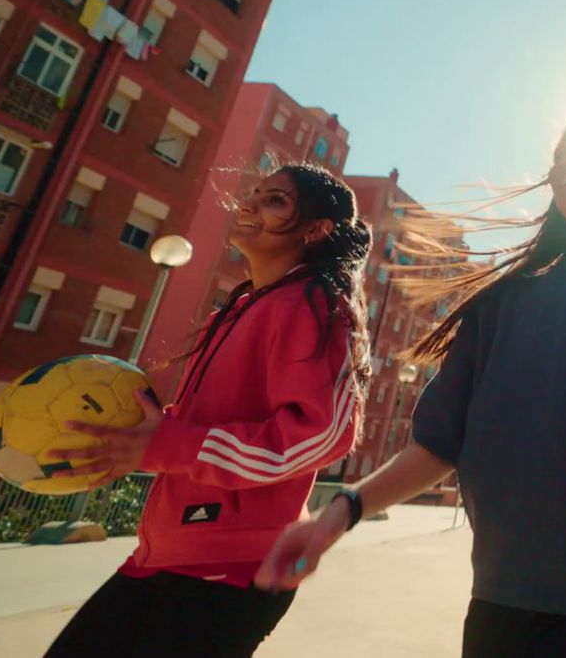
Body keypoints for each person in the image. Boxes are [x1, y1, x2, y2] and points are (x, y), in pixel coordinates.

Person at [255, 115, 566, 658]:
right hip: (502, 602)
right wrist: (339, 515)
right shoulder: (504, 302)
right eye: (560, 152)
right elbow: (438, 443)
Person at [43, 164, 374, 658]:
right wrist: (138, 440)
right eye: (255, 194)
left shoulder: (312, 304)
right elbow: (201, 428)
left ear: (317, 229)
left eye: (275, 200)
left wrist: (172, 444)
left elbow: (320, 435)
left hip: (234, 564)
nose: (249, 205)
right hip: (163, 552)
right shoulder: (240, 309)